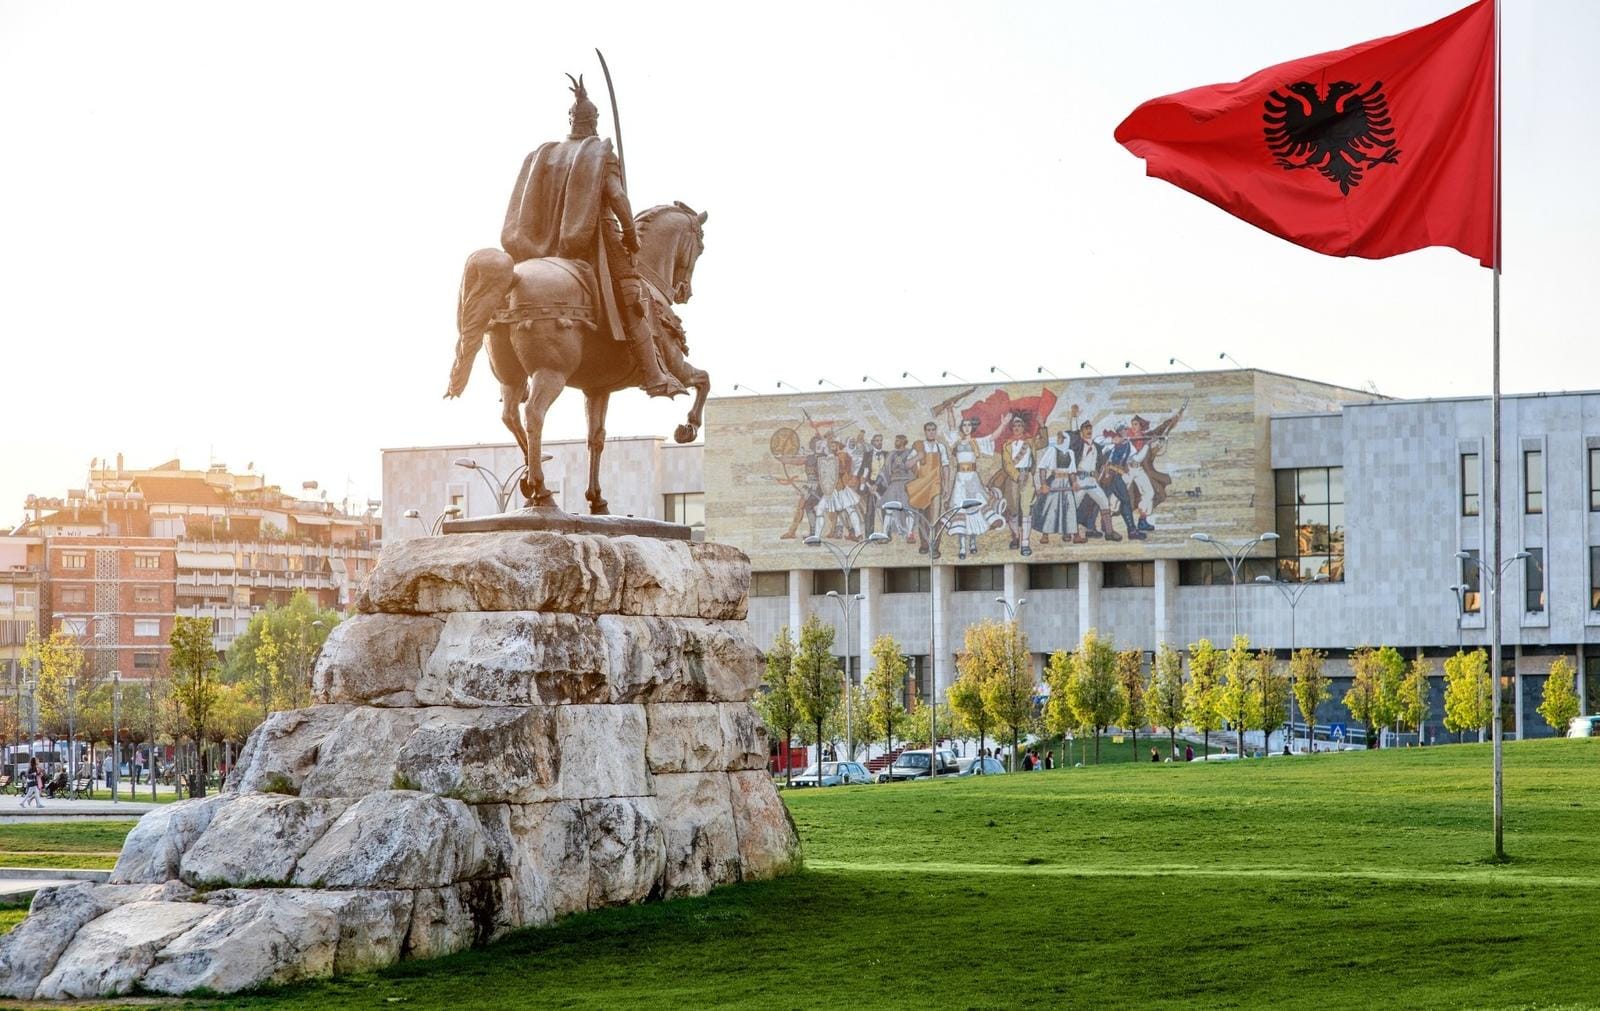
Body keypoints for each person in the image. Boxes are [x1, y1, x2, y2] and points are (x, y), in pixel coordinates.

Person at [450, 74, 685, 399]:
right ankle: (655, 373)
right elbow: (617, 197)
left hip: (539, 246)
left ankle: (509, 376)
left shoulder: (544, 153)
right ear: (594, 121)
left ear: (571, 121)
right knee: (634, 296)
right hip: (594, 241)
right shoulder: (600, 154)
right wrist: (630, 234)